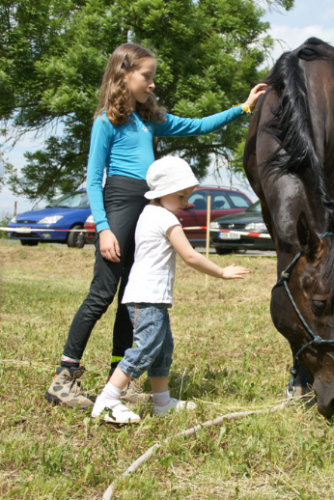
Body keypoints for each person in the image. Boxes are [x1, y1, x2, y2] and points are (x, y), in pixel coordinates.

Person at [45, 42, 266, 409]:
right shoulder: (106, 121)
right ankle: (63, 377)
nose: (151, 84)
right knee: (101, 294)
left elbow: (196, 126)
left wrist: (242, 108)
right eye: (146, 76)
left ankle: (122, 378)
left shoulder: (148, 120)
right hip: (117, 208)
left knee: (128, 301)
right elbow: (93, 178)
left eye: (152, 77)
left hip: (142, 209)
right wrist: (102, 228)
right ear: (123, 74)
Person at [91, 156, 249, 423]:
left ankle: (162, 402)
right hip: (147, 296)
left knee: (162, 349)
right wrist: (222, 272)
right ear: (162, 193)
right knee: (146, 348)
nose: (186, 202)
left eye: (188, 195)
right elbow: (190, 256)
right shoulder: (165, 218)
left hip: (150, 297)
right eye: (181, 195)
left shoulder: (149, 213)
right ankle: (106, 400)